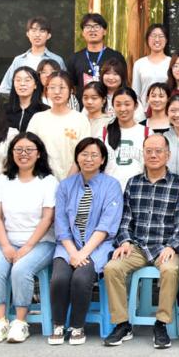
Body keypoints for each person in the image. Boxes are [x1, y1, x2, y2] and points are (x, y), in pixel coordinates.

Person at [103, 133, 179, 347]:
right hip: (138, 246)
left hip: (165, 247)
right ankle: (122, 324)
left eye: (159, 151)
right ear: (143, 154)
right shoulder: (133, 183)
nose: (153, 155)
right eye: (149, 151)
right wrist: (125, 241)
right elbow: (125, 219)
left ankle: (161, 323)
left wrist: (173, 246)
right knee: (112, 268)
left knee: (170, 270)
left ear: (168, 155)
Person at [0, 132, 59, 344]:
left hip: (41, 242)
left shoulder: (48, 181)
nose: (23, 154)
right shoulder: (3, 180)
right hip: (8, 241)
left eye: (29, 150)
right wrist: (5, 245)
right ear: (11, 153)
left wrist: (27, 247)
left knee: (20, 269)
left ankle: (20, 322)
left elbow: (47, 218)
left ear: (39, 154)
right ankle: (0, 322)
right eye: (18, 150)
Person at [48, 138, 123, 345]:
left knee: (81, 277)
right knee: (59, 278)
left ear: (102, 159)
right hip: (68, 246)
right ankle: (58, 325)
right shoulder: (65, 186)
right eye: (84, 154)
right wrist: (73, 252)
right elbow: (61, 224)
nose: (88, 159)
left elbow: (106, 226)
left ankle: (77, 326)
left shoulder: (111, 185)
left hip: (97, 247)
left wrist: (83, 253)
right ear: (77, 158)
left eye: (94, 155)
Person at [27, 72, 92, 179]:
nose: (57, 92)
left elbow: (84, 152)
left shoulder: (80, 119)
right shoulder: (38, 119)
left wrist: (68, 182)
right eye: (52, 87)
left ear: (71, 90)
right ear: (46, 90)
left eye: (62, 88)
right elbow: (30, 150)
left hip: (73, 180)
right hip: (42, 179)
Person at [0, 16, 66, 94]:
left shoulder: (57, 60)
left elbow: (65, 86)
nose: (37, 35)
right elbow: (4, 88)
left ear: (48, 35)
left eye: (42, 31)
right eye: (33, 30)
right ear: (28, 34)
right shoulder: (19, 60)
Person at [103, 87, 149, 191]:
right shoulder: (104, 132)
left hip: (138, 191)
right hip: (110, 192)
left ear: (135, 106)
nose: (122, 109)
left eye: (127, 104)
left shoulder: (146, 132)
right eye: (118, 104)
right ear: (113, 106)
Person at [66, 13, 126, 89]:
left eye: (97, 26)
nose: (92, 30)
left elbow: (123, 84)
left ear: (104, 31)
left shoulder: (116, 57)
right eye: (88, 27)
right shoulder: (74, 58)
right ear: (83, 33)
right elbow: (71, 86)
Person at [132, 23, 171, 101]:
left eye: (161, 36)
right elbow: (136, 92)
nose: (157, 39)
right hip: (145, 107)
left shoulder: (172, 62)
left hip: (166, 107)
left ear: (166, 40)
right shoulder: (139, 64)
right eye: (153, 36)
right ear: (147, 39)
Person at [5, 65, 49, 134]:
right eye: (18, 80)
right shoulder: (3, 110)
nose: (22, 84)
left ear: (35, 85)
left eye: (27, 80)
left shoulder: (45, 111)